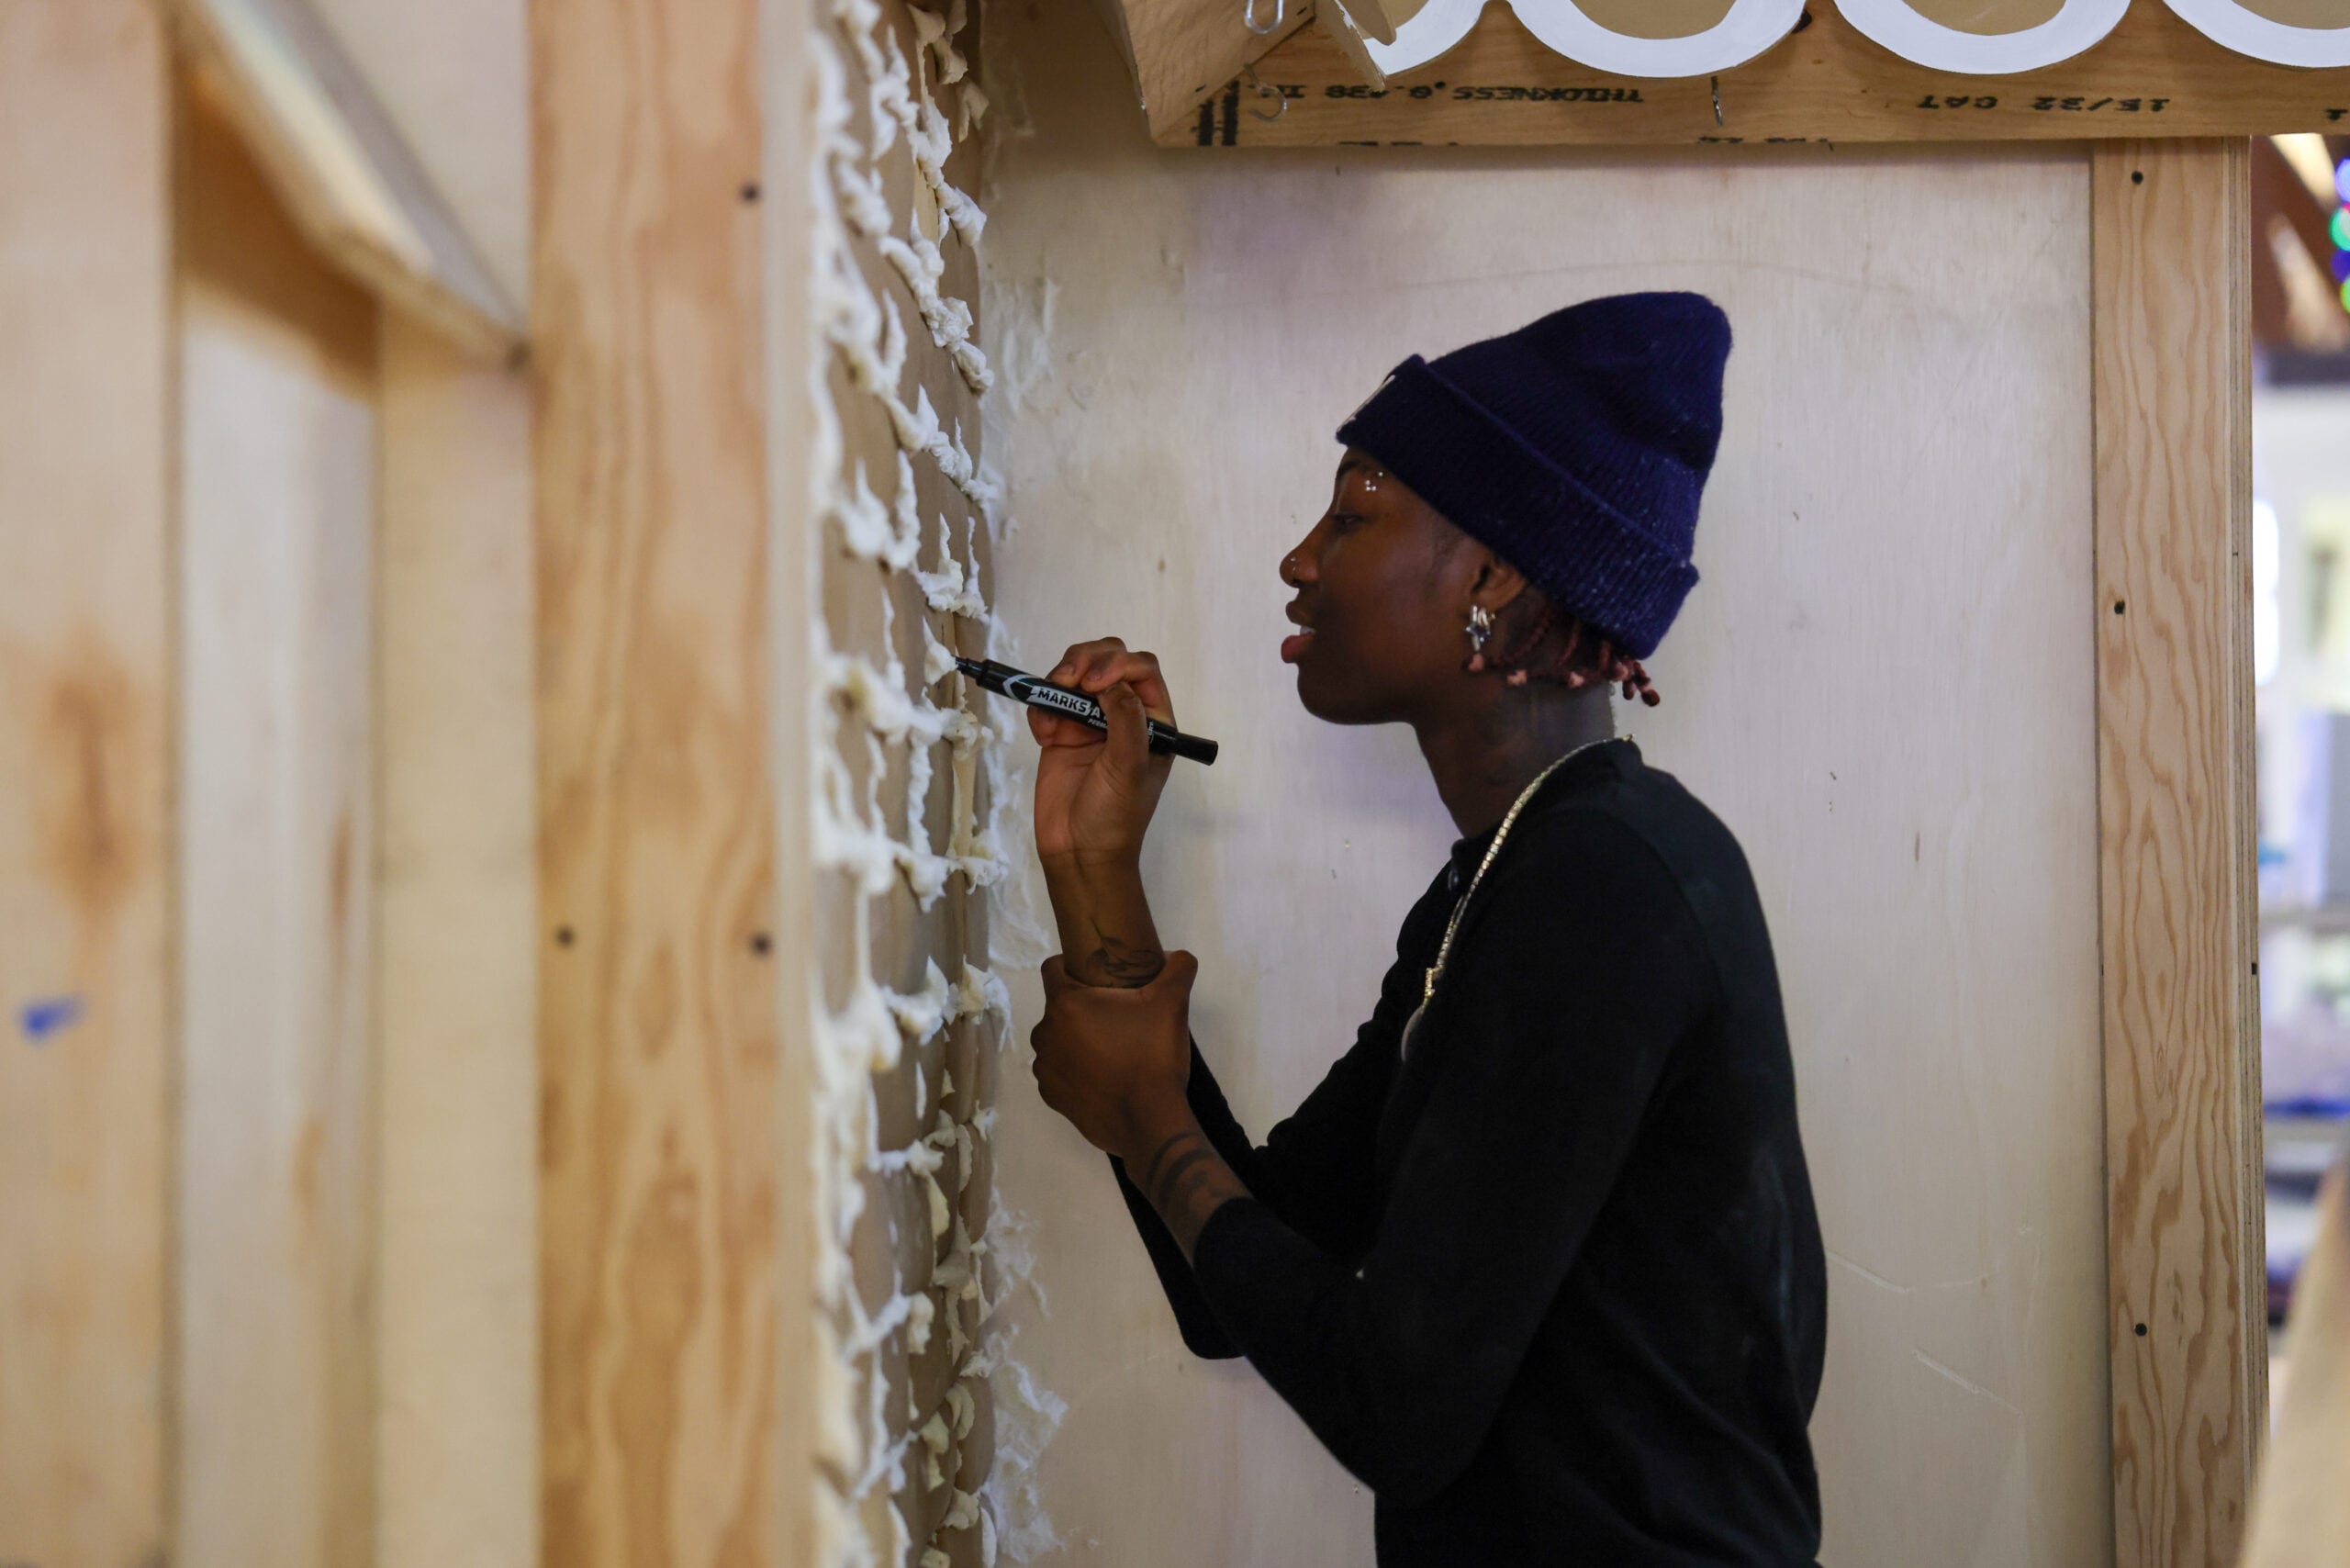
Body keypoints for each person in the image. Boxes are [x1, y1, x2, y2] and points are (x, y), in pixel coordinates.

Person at [1022, 292, 1827, 1565]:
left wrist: (1145, 1116)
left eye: (1353, 514)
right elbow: (1243, 1277)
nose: (1300, 560)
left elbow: (1396, 1408)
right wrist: (1095, 864)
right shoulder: (1501, 882)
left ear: (1494, 578)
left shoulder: (1604, 885)